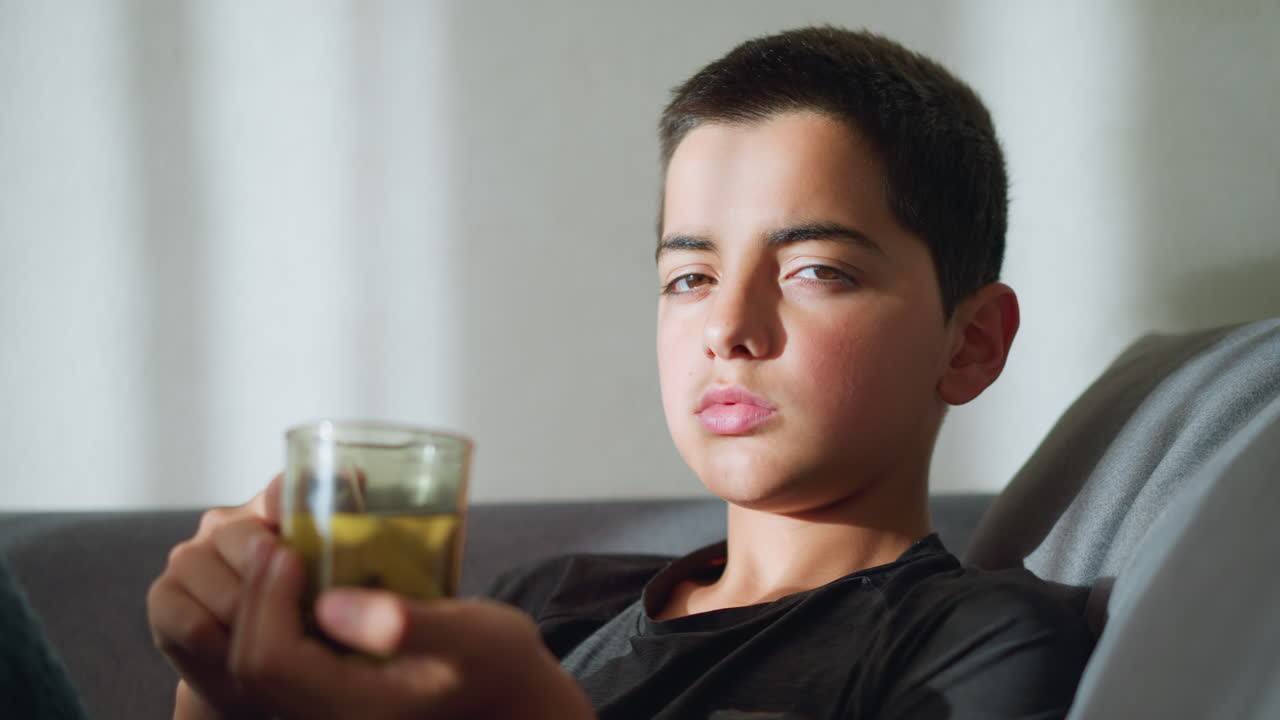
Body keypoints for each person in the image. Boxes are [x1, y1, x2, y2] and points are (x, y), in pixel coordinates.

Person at [146, 26, 1092, 720]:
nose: (728, 326)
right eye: (690, 277)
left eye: (815, 271)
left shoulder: (980, 637)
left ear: (969, 343)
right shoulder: (551, 603)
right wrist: (223, 684)